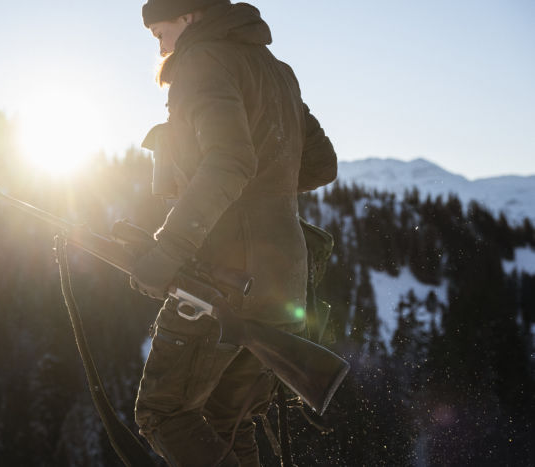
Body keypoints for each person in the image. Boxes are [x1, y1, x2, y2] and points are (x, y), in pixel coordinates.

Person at [130, 1, 337, 465]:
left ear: (188, 17)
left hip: (223, 279)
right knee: (230, 423)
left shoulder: (201, 61)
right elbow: (322, 163)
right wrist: (266, 189)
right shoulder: (277, 70)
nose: (160, 47)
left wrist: (167, 253)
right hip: (283, 281)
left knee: (164, 414)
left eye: (160, 33)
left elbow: (230, 162)